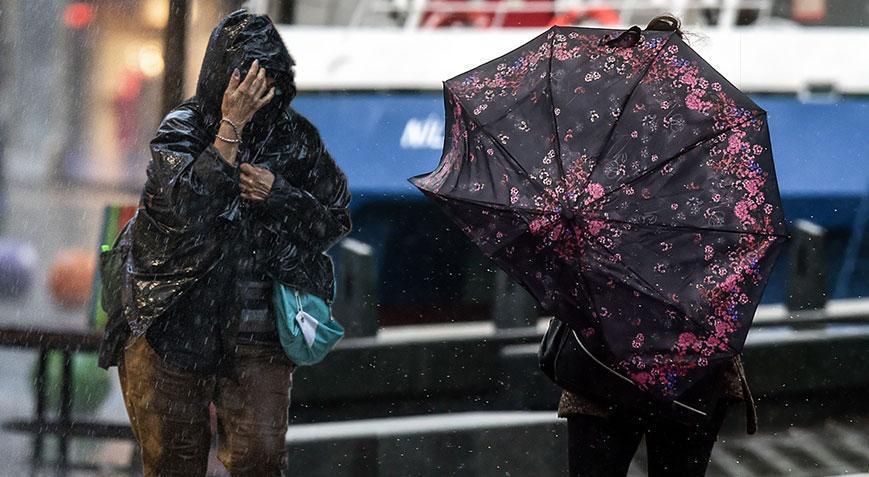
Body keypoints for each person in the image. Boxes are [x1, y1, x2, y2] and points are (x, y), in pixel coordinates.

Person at [97, 10, 351, 476]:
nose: (254, 90)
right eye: (243, 77)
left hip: (256, 332)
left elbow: (330, 220)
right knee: (174, 460)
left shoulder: (294, 140)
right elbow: (184, 209)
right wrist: (228, 133)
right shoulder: (183, 129)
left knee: (260, 459)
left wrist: (279, 195)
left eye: (265, 78)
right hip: (171, 323)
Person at [558, 15, 757, 477]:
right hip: (692, 363)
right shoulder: (724, 159)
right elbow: (743, 257)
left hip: (604, 363)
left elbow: (564, 260)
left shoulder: (590, 159)